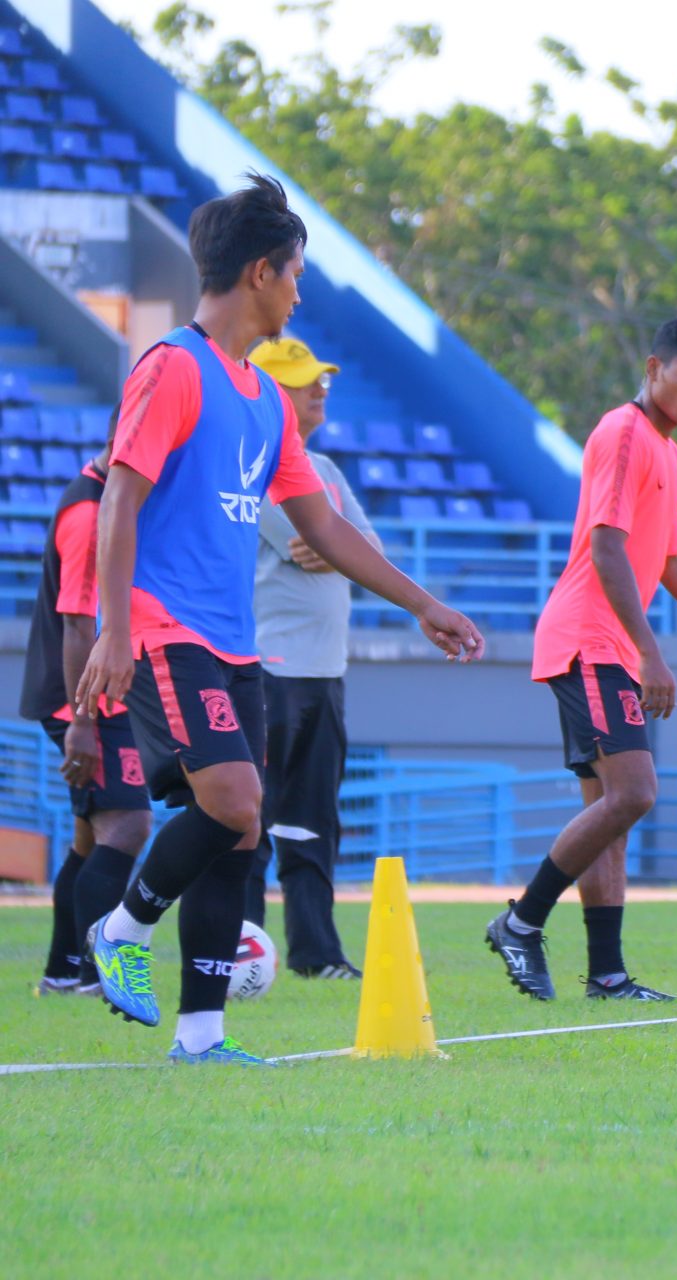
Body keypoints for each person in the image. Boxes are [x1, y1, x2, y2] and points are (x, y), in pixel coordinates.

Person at [75, 173, 485, 1066]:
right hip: (164, 630)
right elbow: (120, 501)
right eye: (296, 273)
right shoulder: (172, 367)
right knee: (234, 800)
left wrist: (422, 603)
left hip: (235, 645)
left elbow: (325, 526)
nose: (301, 291)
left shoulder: (264, 400)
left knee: (240, 828)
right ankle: (121, 926)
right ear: (262, 271)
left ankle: (201, 1036)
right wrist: (113, 630)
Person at [486, 315, 677, 1002]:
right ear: (653, 370)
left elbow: (671, 560)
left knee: (612, 813)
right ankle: (522, 922)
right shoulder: (623, 433)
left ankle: (609, 975)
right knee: (634, 793)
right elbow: (607, 548)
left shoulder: (668, 452)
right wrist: (650, 653)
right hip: (592, 641)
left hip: (612, 644)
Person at [243, 336, 370, 979]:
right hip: (268, 671)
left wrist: (337, 543)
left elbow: (364, 547)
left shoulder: (327, 471)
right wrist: (333, 541)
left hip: (327, 673)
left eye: (321, 379)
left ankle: (317, 955)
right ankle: (238, 948)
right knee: (249, 819)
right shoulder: (253, 463)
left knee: (315, 820)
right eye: (302, 380)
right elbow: (305, 542)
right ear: (267, 391)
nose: (319, 389)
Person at [18, 417, 153, 997]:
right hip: (86, 699)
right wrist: (82, 721)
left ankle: (61, 970)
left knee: (89, 839)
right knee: (128, 824)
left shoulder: (104, 498)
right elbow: (78, 625)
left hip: (92, 694)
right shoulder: (89, 514)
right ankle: (97, 976)